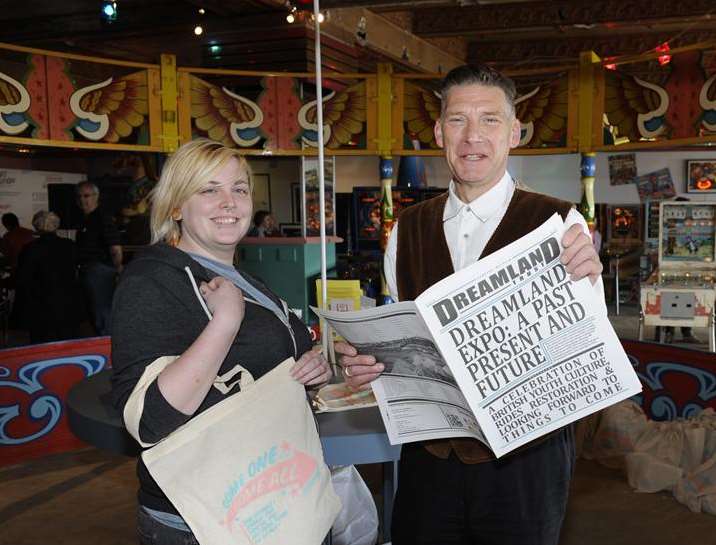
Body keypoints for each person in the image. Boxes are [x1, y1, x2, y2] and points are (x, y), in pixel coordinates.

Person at [336, 64, 605, 545]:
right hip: (430, 459)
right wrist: (370, 362)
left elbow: (586, 345)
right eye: (458, 120)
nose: (472, 136)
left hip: (526, 464)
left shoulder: (559, 223)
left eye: (490, 120)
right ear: (439, 131)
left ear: (515, 132)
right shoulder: (407, 230)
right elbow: (400, 335)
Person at [110, 138, 331, 545]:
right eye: (209, 189)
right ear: (176, 207)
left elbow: (278, 358)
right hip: (200, 517)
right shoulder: (151, 281)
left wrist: (315, 366)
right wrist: (225, 322)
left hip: (273, 493)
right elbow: (149, 421)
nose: (229, 202)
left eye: (239, 189)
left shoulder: (248, 281)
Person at [15, 211, 80, 343]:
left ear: (36, 226)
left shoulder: (30, 249)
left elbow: (23, 278)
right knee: (68, 341)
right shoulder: (69, 245)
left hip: (39, 305)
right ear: (56, 225)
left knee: (41, 343)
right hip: (67, 302)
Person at [75, 181, 123, 335]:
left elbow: (115, 247)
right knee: (97, 313)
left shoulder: (102, 218)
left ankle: (107, 347)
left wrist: (116, 267)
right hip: (92, 270)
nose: (83, 200)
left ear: (96, 197)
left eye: (87, 196)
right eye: (80, 196)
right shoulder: (86, 219)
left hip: (100, 270)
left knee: (103, 313)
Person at [1, 212, 35, 282]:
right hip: (33, 270)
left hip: (17, 272)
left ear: (6, 225)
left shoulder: (7, 236)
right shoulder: (31, 232)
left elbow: (7, 256)